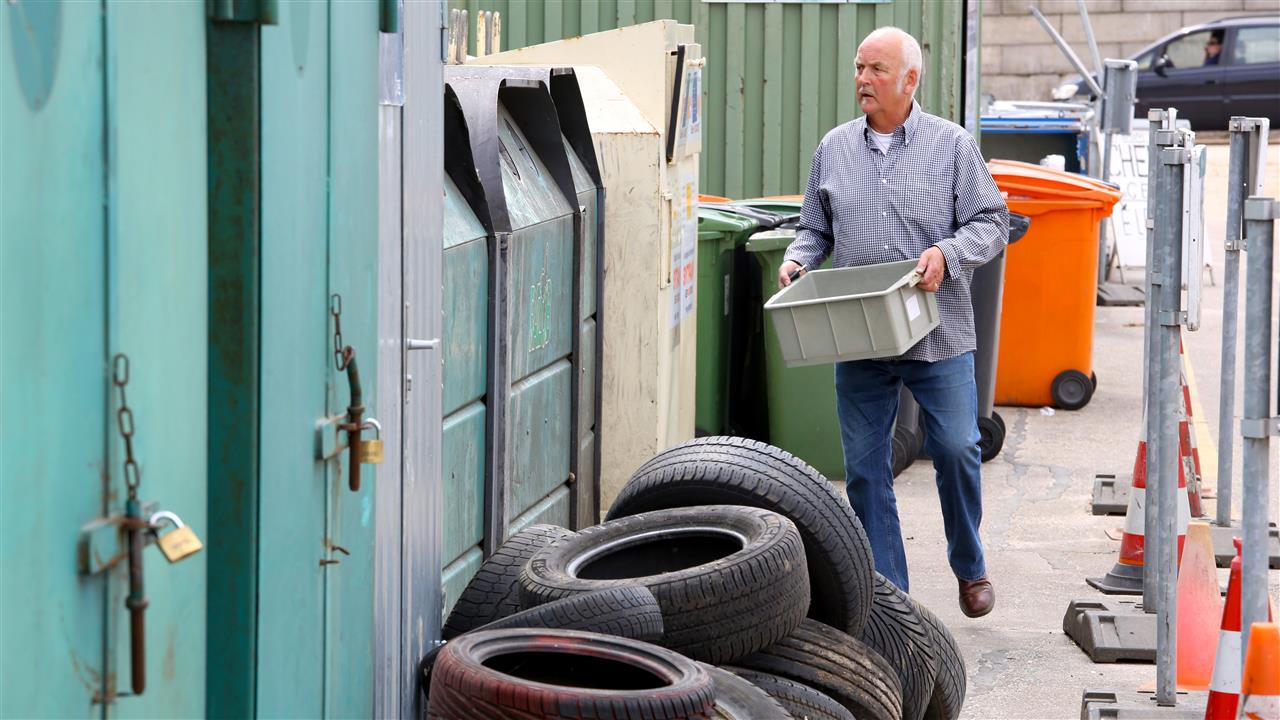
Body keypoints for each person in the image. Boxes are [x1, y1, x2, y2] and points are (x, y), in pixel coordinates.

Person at [777, 27, 1008, 618]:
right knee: (862, 469)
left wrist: (947, 256)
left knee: (957, 448)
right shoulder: (833, 148)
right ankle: (892, 597)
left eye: (876, 70)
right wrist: (799, 258)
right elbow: (815, 228)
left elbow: (991, 222)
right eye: (859, 68)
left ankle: (969, 565)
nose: (862, 80)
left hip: (940, 331)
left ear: (910, 80)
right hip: (861, 333)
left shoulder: (953, 146)